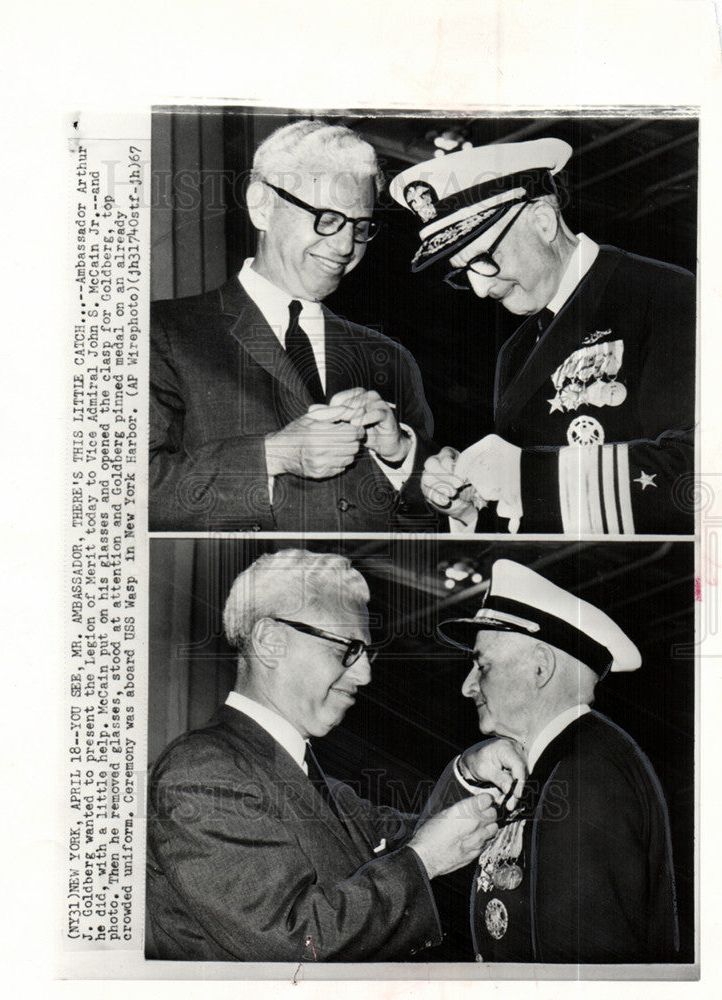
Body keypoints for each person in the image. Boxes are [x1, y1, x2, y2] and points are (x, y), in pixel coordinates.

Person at [146, 549, 526, 962]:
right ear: (271, 642)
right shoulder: (203, 774)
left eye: (367, 653)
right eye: (346, 649)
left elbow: (410, 833)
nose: (365, 674)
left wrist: (468, 774)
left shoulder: (299, 773)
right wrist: (424, 861)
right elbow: (293, 940)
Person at [390, 138, 695, 534]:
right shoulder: (515, 352)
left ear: (543, 221)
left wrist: (524, 477)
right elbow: (532, 518)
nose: (481, 290)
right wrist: (473, 504)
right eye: (462, 271)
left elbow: (695, 473)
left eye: (483, 259)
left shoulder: (662, 294)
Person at [150, 119, 439, 531]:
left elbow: (427, 527)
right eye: (326, 218)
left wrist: (401, 457)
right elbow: (128, 493)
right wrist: (274, 455)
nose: (344, 247)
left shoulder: (392, 359)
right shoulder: (164, 333)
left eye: (359, 227)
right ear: (262, 205)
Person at [434, 558, 679, 963]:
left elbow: (584, 969)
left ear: (541, 667)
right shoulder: (557, 764)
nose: (467, 686)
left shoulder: (587, 773)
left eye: (482, 664)